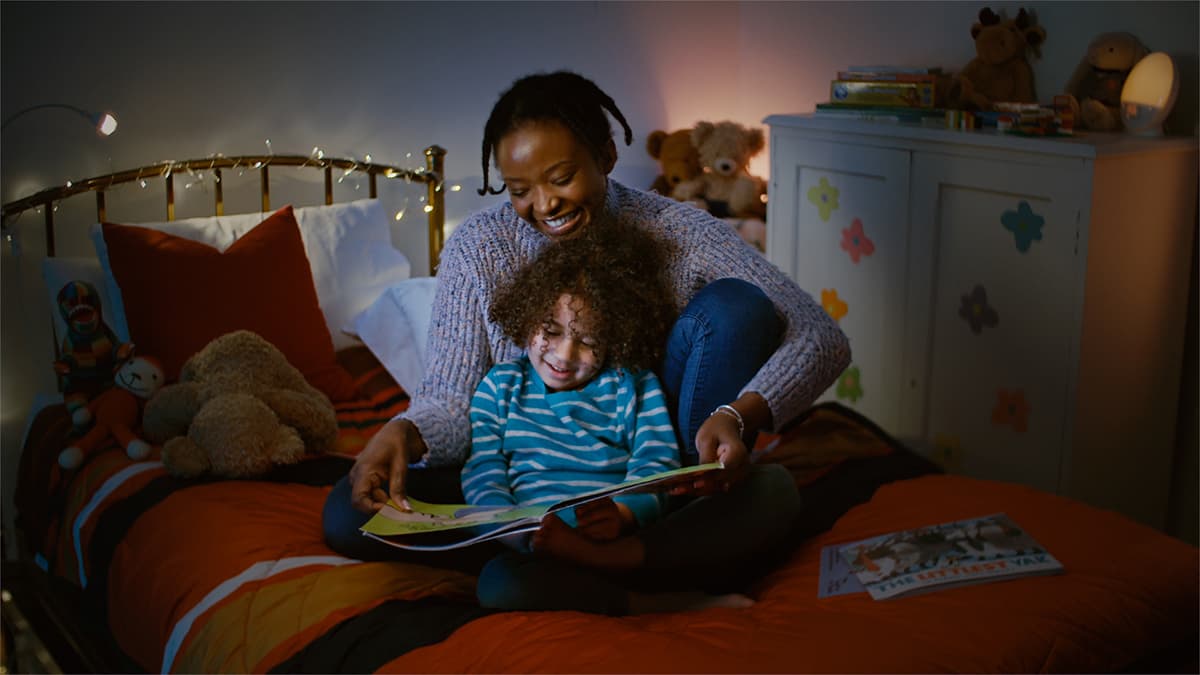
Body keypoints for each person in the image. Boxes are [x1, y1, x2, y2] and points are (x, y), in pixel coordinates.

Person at [322, 70, 850, 599]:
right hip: (518, 483)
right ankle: (588, 555)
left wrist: (738, 415)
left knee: (739, 317)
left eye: (561, 176)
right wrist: (404, 431)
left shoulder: (680, 232)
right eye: (520, 190)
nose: (544, 204)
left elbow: (820, 336)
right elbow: (451, 402)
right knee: (349, 513)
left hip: (650, 470)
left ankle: (630, 542)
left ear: (606, 156)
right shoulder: (479, 247)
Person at [464, 227, 755, 612]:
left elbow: (656, 462)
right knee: (498, 585)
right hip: (535, 547)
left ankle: (634, 587)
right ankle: (639, 604)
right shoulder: (500, 386)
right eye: (550, 332)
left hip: (613, 539)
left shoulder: (632, 383)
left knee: (763, 492)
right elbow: (483, 468)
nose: (565, 356)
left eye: (587, 341)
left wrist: (622, 514)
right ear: (527, 317)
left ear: (616, 337)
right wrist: (509, 527)